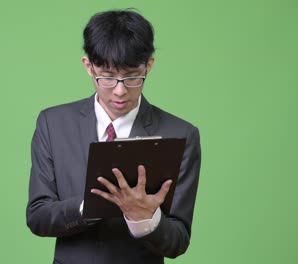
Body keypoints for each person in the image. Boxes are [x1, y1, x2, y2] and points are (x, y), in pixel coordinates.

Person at [26, 9, 201, 264]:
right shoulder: (53, 124)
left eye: (132, 77)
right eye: (107, 77)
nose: (119, 91)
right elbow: (38, 217)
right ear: (88, 66)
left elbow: (178, 241)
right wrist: (90, 206)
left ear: (148, 66)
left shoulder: (180, 135)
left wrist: (145, 217)